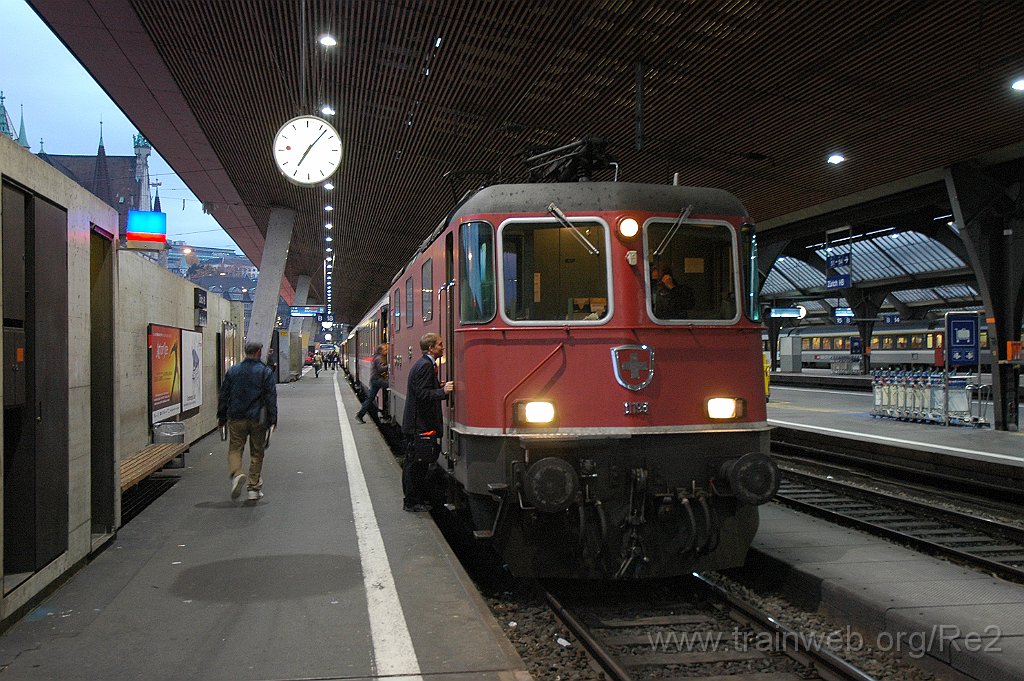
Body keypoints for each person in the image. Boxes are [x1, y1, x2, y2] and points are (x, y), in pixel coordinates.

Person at [217, 341, 278, 501]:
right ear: (258, 352)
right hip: (258, 418)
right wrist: (273, 419)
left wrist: (222, 417)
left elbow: (224, 396)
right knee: (257, 452)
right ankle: (253, 488)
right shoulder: (265, 372)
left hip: (236, 417)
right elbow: (271, 397)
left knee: (235, 449)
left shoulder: (233, 371)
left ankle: (237, 474)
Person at [401, 333, 454, 512]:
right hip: (419, 425)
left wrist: (437, 387)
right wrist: (443, 392)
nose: (442, 347)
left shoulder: (424, 364)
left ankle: (415, 500)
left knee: (416, 464)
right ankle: (411, 502)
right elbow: (422, 395)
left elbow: (422, 390)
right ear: (431, 348)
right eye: (440, 345)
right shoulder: (425, 366)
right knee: (416, 466)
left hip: (418, 424)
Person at [355, 343, 389, 423]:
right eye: (385, 350)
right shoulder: (379, 358)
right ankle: (387, 410)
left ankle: (360, 414)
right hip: (377, 379)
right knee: (391, 387)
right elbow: (380, 369)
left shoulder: (377, 357)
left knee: (370, 399)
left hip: (374, 380)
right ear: (381, 351)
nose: (387, 351)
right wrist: (389, 366)